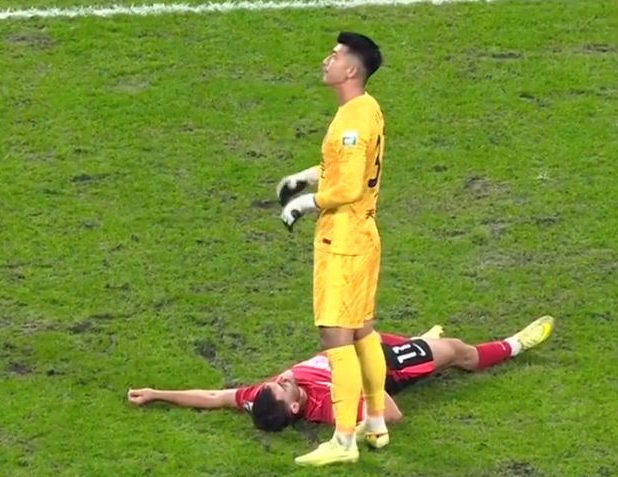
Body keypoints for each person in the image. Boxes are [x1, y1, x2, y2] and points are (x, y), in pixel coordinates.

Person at [128, 316, 555, 443]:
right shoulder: (330, 407)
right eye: (283, 386)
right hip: (385, 365)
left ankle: (421, 340)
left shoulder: (261, 398)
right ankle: (516, 344)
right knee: (458, 353)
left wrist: (157, 393)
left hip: (356, 344)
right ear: (296, 406)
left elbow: (213, 396)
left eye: (275, 382)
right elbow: (392, 415)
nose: (283, 377)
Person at [275, 31, 387, 466]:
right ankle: (374, 422)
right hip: (365, 234)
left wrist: (304, 203)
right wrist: (304, 177)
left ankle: (343, 441)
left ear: (351, 70)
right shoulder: (367, 107)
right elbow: (343, 167)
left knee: (335, 338)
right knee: (362, 332)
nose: (327, 60)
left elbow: (349, 186)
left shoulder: (351, 122)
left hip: (342, 242)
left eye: (335, 56)